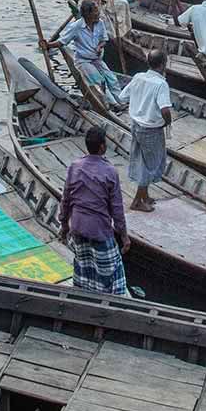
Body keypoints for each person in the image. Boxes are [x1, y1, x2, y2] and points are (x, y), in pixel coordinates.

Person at [58, 126, 129, 296]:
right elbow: (117, 209)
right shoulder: (110, 171)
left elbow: (65, 200)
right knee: (112, 270)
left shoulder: (75, 167)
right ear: (103, 147)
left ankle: (84, 297)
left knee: (84, 266)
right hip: (99, 230)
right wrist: (124, 237)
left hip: (78, 227)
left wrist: (63, 226)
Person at [118, 67, 174, 213]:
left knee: (143, 160)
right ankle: (137, 200)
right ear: (163, 65)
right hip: (151, 130)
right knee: (150, 164)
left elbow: (122, 97)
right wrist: (167, 122)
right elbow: (165, 110)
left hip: (136, 125)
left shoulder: (138, 76)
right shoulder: (161, 84)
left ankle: (145, 196)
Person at [49, 1, 123, 106]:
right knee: (99, 80)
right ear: (87, 15)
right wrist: (48, 45)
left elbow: (104, 40)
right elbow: (62, 42)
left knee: (112, 79)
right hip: (83, 61)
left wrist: (99, 46)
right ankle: (114, 105)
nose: (98, 13)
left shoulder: (100, 23)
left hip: (97, 59)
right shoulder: (76, 26)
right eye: (96, 11)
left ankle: (121, 101)